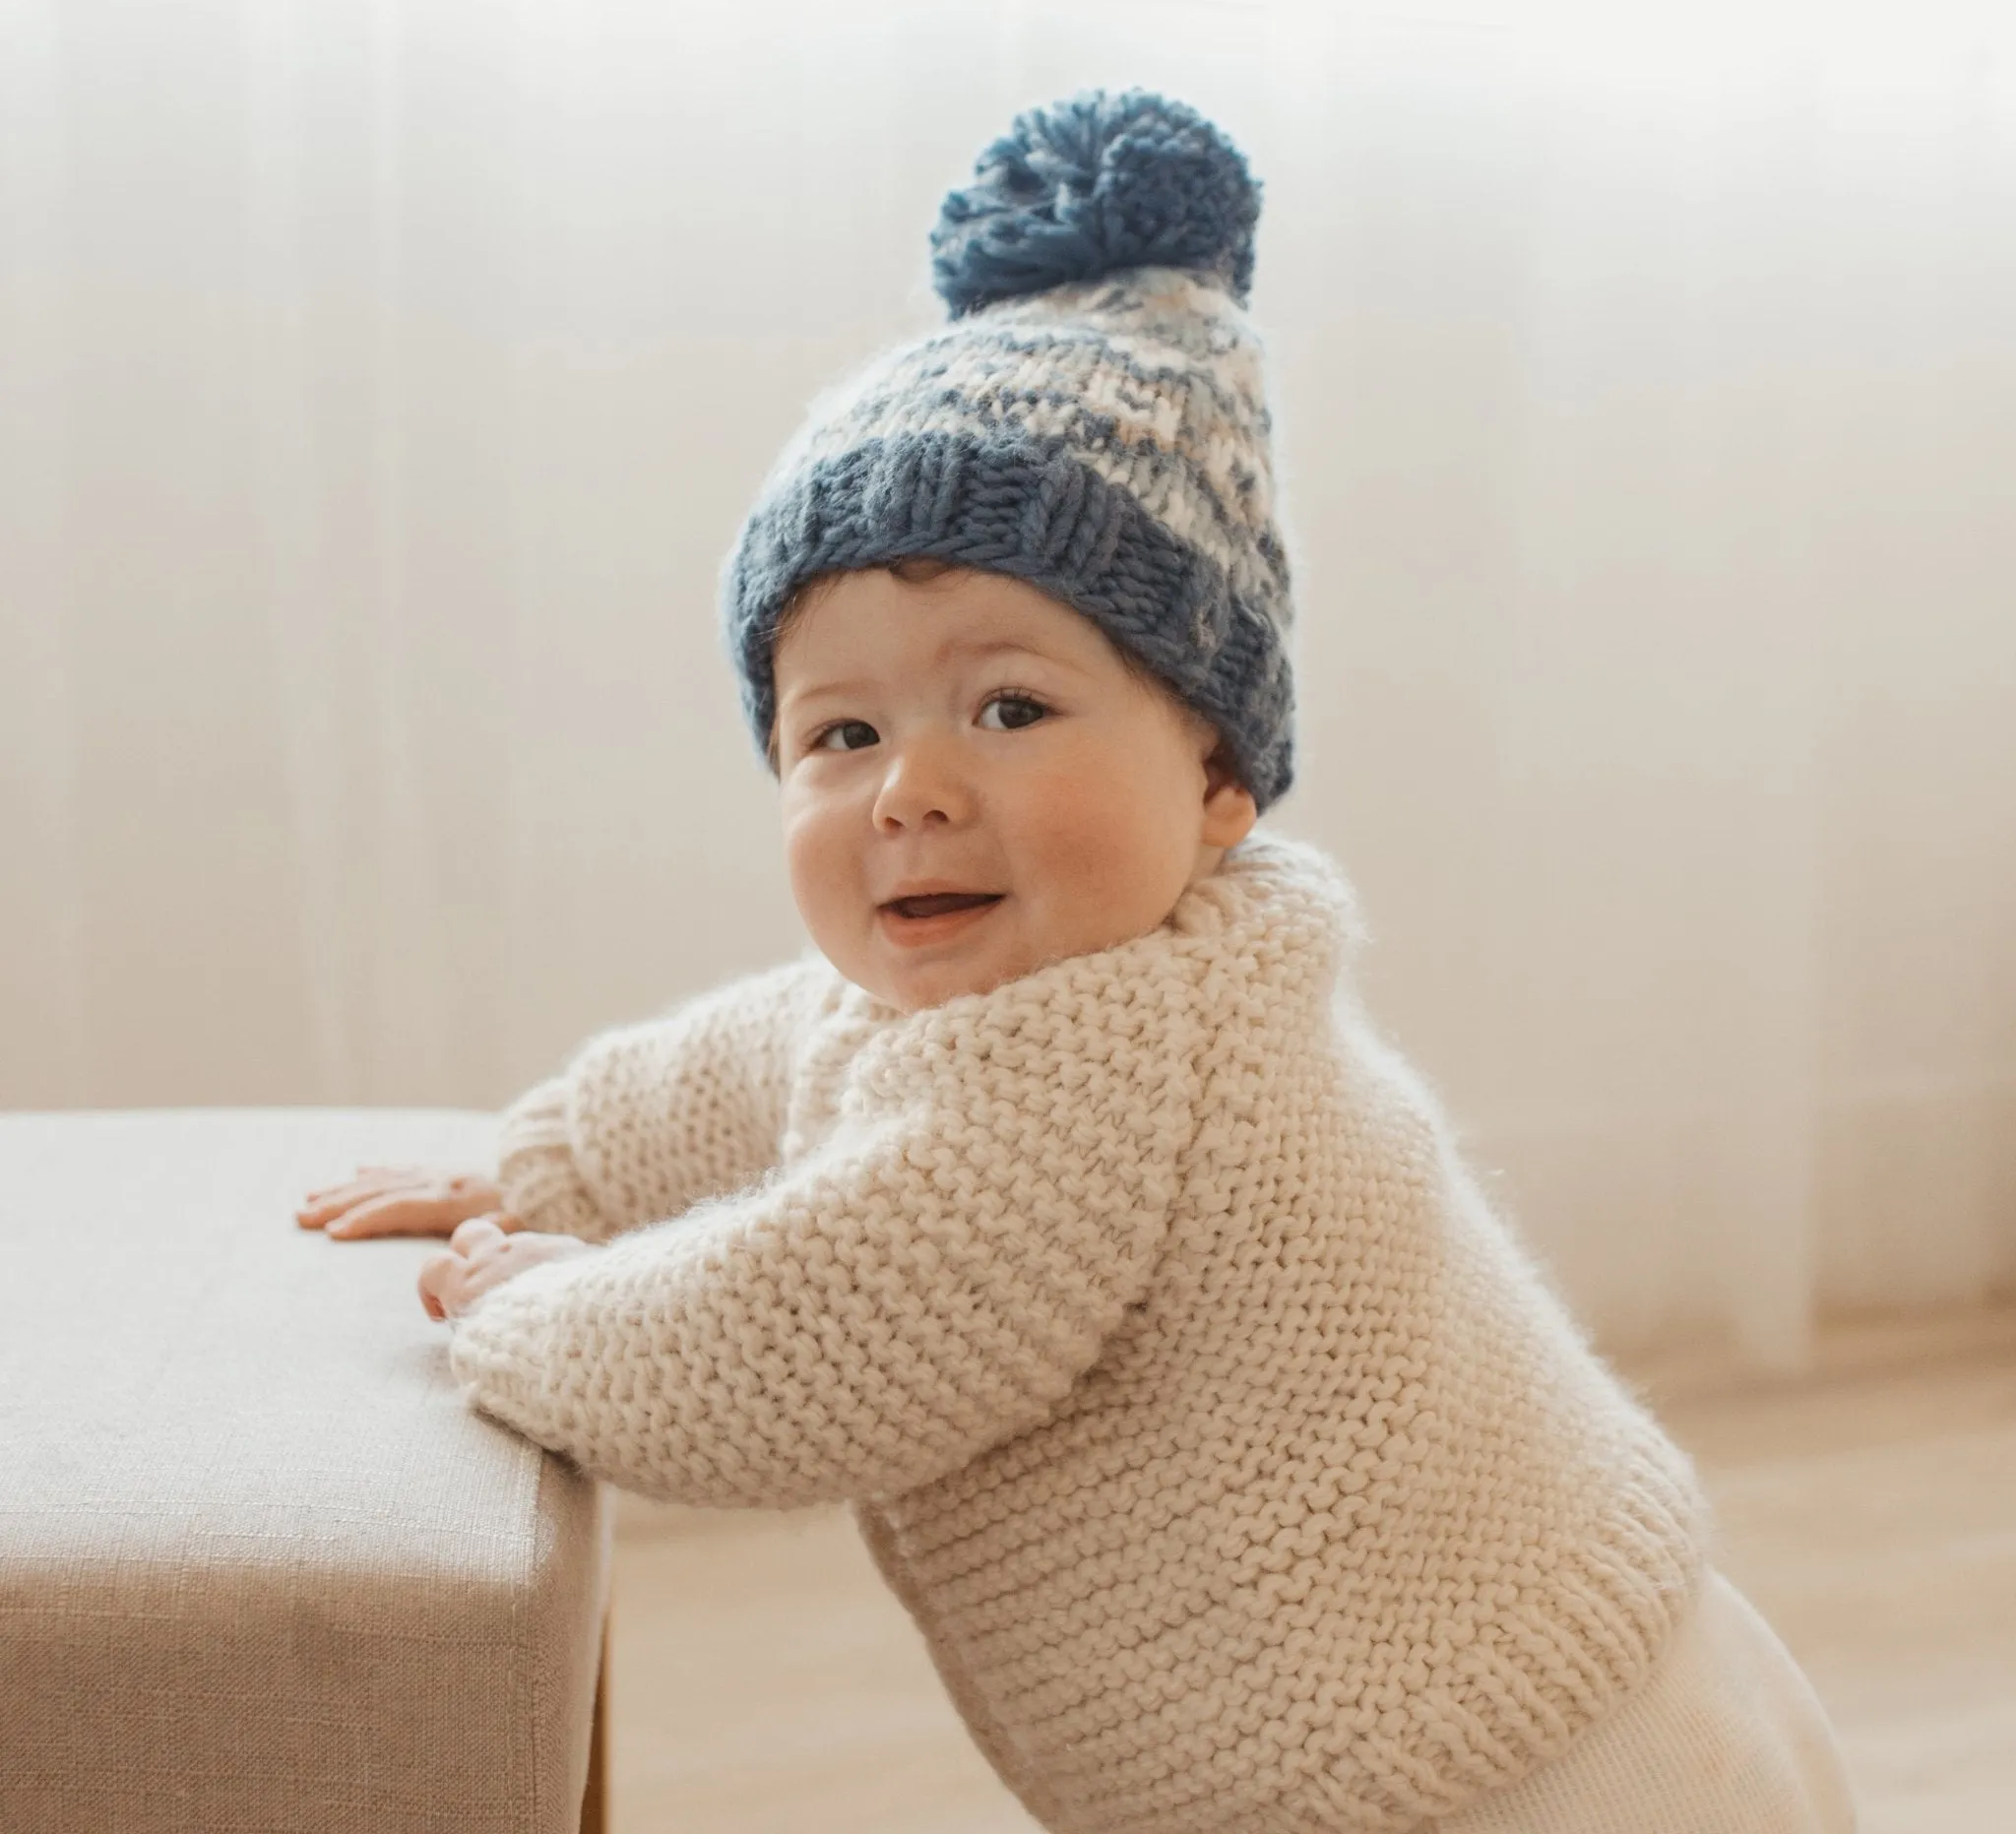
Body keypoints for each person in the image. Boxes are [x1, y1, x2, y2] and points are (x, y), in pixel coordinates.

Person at [297, 90, 1858, 1833]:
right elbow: (763, 1057)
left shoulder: (1099, 1063)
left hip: (1505, 1779)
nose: (914, 792)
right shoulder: (1078, 981)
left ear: (1217, 781)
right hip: (1570, 1681)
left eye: (1013, 707)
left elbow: (810, 1342)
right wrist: (548, 1158)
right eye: (839, 732)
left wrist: (529, 1315)